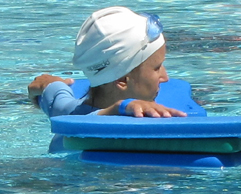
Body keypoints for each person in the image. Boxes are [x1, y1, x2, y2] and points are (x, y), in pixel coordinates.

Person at [27, 6, 186, 118]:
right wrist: (122, 108)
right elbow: (87, 123)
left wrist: (48, 84)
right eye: (157, 68)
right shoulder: (75, 126)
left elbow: (50, 86)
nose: (166, 78)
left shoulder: (64, 109)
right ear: (122, 79)